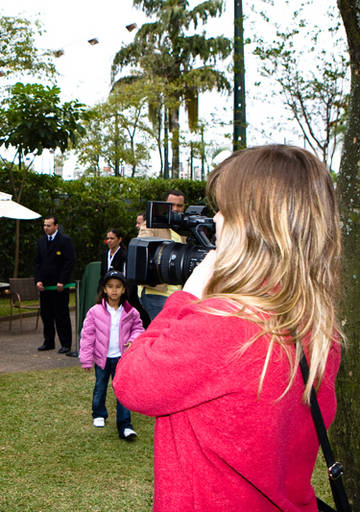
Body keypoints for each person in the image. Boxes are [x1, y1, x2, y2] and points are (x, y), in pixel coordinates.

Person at [114, 145, 343, 511]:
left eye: (225, 210)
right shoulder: (317, 324)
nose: (215, 221)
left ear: (256, 226)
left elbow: (132, 383)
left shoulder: (227, 323)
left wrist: (186, 298)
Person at [79, 270, 143, 439]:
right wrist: (86, 359)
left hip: (121, 359)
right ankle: (99, 413)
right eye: (110, 287)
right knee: (100, 387)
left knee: (122, 390)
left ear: (123, 290)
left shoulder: (131, 311)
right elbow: (87, 335)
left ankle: (125, 425)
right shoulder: (95, 311)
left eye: (118, 287)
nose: (114, 290)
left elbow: (138, 328)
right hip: (102, 359)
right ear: (104, 289)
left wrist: (133, 339)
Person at [137, 189, 186, 320]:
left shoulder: (184, 230)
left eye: (179, 206)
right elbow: (142, 251)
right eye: (171, 205)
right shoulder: (152, 225)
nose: (175, 209)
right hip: (156, 292)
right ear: (164, 205)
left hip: (179, 295)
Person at [34, 215, 76, 354]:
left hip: (59, 286)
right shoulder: (41, 241)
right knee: (46, 315)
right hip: (45, 286)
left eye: (49, 225)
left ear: (56, 226)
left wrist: (62, 281)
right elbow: (37, 263)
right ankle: (49, 341)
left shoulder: (65, 241)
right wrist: (38, 280)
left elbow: (68, 262)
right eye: (45, 225)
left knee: (61, 315)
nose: (46, 228)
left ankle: (65, 343)